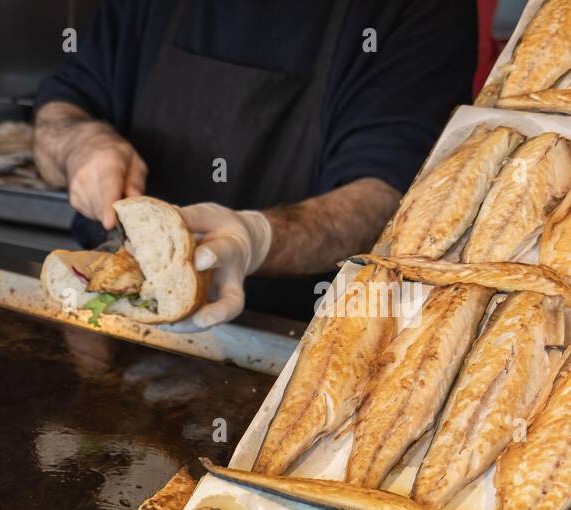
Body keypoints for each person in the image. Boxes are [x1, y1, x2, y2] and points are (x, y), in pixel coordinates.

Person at [34, 0, 477, 324]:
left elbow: (388, 198)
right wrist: (80, 144)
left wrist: (255, 239)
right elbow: (60, 111)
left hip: (292, 344)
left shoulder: (417, 12)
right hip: (109, 318)